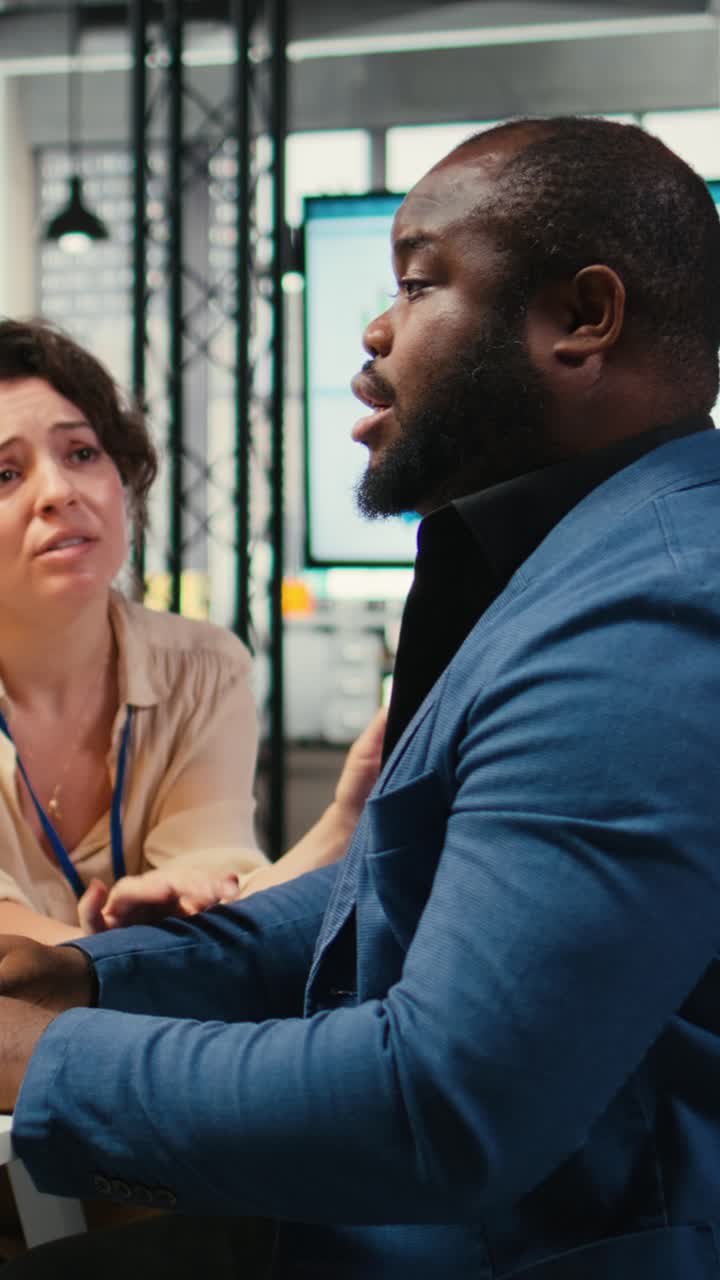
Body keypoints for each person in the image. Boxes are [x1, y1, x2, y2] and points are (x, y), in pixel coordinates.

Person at [0, 115, 720, 1280]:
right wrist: (95, 977)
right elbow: (400, 889)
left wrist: (45, 1054)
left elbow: (439, 1109)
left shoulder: (652, 613)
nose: (375, 331)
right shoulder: (571, 563)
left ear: (583, 319)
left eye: (418, 283)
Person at [0, 319, 385, 945]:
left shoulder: (202, 668)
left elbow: (217, 888)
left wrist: (340, 829)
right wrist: (163, 956)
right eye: (5, 474)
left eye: (82, 453)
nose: (59, 492)